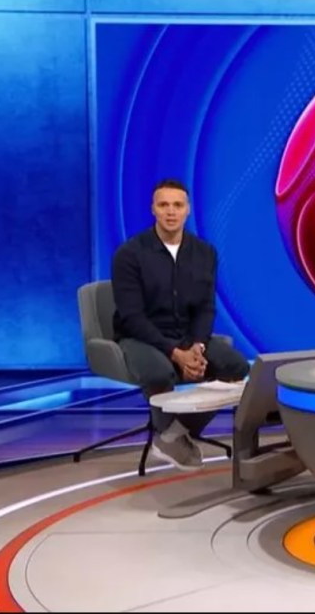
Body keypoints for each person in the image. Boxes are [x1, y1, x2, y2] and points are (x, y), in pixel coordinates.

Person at [111, 178, 250, 471]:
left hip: (188, 336)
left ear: (187, 210)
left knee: (235, 367)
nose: (171, 212)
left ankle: (174, 434)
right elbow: (132, 317)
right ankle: (170, 434)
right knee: (159, 371)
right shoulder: (129, 254)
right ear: (153, 210)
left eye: (177, 205)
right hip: (142, 336)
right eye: (164, 205)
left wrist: (197, 348)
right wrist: (176, 353)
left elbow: (205, 307)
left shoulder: (205, 252)